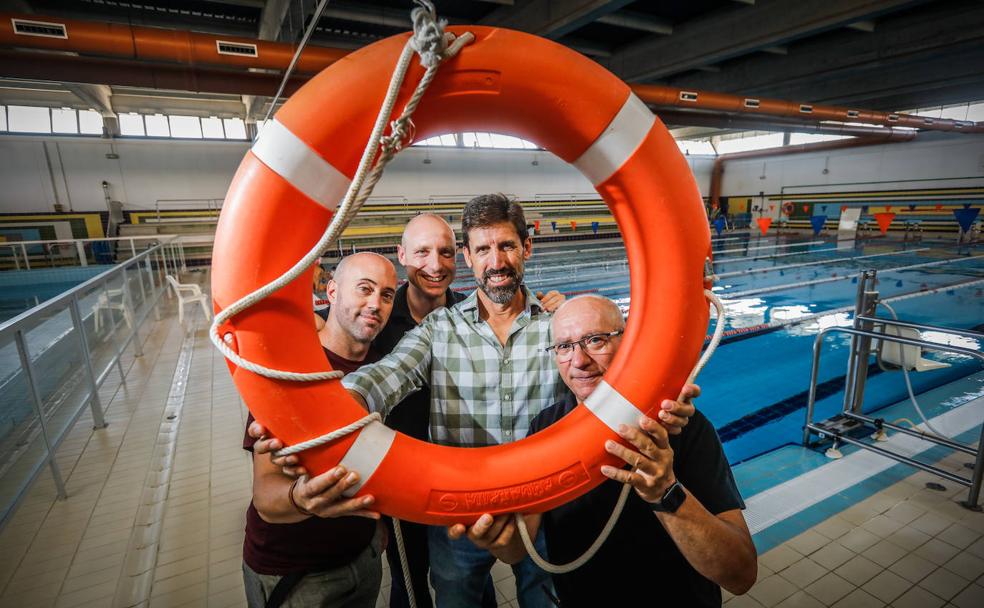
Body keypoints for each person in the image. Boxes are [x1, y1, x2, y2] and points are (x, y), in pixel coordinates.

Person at [339, 195, 693, 608]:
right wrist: (344, 400)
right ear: (468, 257)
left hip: (545, 507)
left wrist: (664, 403)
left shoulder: (558, 327)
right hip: (459, 514)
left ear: (526, 247)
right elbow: (390, 373)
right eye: (483, 249)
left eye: (506, 245)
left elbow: (618, 377)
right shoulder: (440, 328)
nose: (497, 261)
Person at [451, 295, 757, 607]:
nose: (579, 360)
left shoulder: (677, 428)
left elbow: (741, 575)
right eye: (564, 346)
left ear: (627, 345)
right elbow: (517, 549)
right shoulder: (546, 428)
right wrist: (496, 539)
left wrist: (666, 492)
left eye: (595, 340)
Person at [241, 252, 397, 608]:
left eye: (386, 295)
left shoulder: (381, 370)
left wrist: (374, 531)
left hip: (363, 558)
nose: (375, 304)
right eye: (364, 289)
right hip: (295, 572)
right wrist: (303, 499)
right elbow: (266, 497)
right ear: (331, 292)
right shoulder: (290, 369)